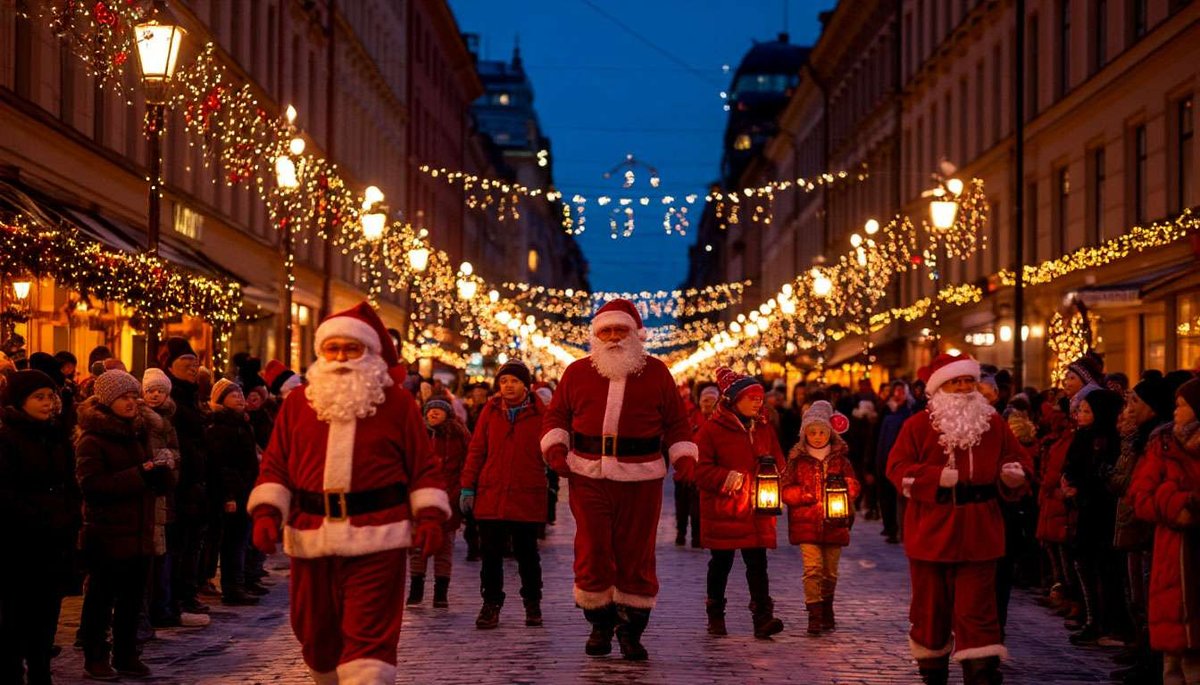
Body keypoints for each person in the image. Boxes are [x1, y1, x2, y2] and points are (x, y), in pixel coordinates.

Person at [248, 302, 449, 684]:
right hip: (310, 534)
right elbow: (276, 463)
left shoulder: (398, 404)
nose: (340, 357)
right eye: (332, 348)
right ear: (321, 353)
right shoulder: (297, 404)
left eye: (351, 349)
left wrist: (430, 516)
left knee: (369, 641)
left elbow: (423, 466)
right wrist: (267, 512)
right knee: (314, 633)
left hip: (378, 534)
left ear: (370, 353)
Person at [541, 298, 698, 661]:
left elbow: (676, 421)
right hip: (588, 473)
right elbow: (556, 416)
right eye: (606, 331)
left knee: (635, 552)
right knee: (593, 548)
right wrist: (555, 448)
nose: (613, 338)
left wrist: (684, 454)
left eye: (620, 330)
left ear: (635, 335)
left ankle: (631, 630)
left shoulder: (657, 372)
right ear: (595, 336)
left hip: (641, 475)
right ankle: (599, 623)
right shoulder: (577, 372)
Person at [886, 353, 1032, 685]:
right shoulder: (917, 425)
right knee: (930, 609)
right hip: (931, 530)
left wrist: (1014, 473)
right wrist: (934, 477)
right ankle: (932, 670)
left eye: (969, 381)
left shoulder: (993, 423)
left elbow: (1018, 459)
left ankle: (980, 671)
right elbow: (896, 468)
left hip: (981, 528)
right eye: (957, 382)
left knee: (978, 610)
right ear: (940, 387)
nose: (965, 388)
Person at [76, 370, 173, 680]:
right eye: (124, 397)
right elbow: (92, 486)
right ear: (108, 401)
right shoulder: (92, 440)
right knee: (101, 600)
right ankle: (96, 656)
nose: (132, 402)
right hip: (107, 533)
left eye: (134, 396)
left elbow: (150, 479)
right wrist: (139, 473)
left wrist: (161, 473)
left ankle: (127, 653)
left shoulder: (137, 432)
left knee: (133, 600)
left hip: (139, 531)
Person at [0, 370, 81, 685]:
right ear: (21, 401)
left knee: (48, 615)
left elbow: (69, 484)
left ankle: (40, 671)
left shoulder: (56, 435)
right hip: (20, 542)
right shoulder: (7, 439)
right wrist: (40, 518)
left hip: (55, 541)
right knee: (16, 616)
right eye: (39, 397)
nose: (48, 403)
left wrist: (71, 515)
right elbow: (6, 493)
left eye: (51, 396)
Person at [693, 367, 784, 639]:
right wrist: (726, 478)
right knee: (721, 563)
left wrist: (777, 475)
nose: (758, 402)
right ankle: (716, 615)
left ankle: (763, 618)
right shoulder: (712, 429)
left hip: (757, 509)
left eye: (760, 397)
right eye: (752, 397)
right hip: (726, 509)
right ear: (734, 400)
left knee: (758, 563)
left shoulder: (764, 427)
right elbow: (700, 469)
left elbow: (778, 460)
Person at [459, 360, 547, 629]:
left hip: (525, 492)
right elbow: (476, 450)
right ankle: (491, 605)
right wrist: (467, 487)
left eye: (515, 381)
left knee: (527, 554)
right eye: (504, 381)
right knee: (491, 555)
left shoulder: (541, 414)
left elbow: (553, 450)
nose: (508, 386)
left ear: (526, 386)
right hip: (492, 491)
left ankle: (532, 604)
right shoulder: (491, 410)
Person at [1128, 378, 1200, 685]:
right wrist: (1175, 502)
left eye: (1183, 405)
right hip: (1172, 557)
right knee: (1174, 656)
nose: (1176, 410)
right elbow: (1139, 496)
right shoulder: (1163, 444)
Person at [782, 400, 859, 636]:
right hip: (806, 522)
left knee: (830, 571)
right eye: (812, 432)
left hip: (834, 523)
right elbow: (785, 489)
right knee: (813, 568)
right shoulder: (797, 460)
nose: (817, 437)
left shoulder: (840, 460)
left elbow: (854, 486)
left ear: (830, 433)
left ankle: (827, 606)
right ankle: (814, 613)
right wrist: (802, 495)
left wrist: (845, 489)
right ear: (804, 433)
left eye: (821, 432)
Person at [1061, 388, 1126, 646]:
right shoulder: (1082, 437)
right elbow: (1071, 465)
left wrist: (1081, 485)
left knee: (1105, 567)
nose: (1080, 415)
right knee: (1084, 563)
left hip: (1102, 511)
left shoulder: (1109, 440)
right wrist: (1067, 483)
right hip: (1083, 509)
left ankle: (1109, 623)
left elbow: (1103, 476)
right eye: (1080, 410)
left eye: (1087, 411)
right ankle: (1092, 619)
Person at [161, 337, 210, 617]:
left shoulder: (192, 395)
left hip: (196, 482)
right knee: (179, 545)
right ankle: (177, 598)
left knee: (192, 543)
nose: (193, 368)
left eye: (195, 362)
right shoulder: (172, 399)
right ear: (170, 365)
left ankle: (186, 594)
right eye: (186, 363)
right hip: (182, 483)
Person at [407, 397, 470, 610]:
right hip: (420, 500)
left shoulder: (457, 435)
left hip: (449, 498)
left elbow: (466, 463)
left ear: (447, 414)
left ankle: (440, 593)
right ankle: (416, 591)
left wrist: (461, 490)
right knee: (418, 546)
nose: (433, 414)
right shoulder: (418, 435)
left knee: (444, 549)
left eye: (438, 411)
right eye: (430, 410)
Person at [205, 378, 264, 606]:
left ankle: (240, 583)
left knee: (241, 538)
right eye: (233, 395)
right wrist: (229, 495)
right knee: (233, 540)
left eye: (240, 394)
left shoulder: (241, 422)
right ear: (221, 400)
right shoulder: (221, 426)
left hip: (246, 488)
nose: (239, 398)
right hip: (234, 492)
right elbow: (222, 464)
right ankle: (233, 587)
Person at [677, 384, 718, 548]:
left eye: (711, 400)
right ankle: (681, 532)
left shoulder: (718, 421)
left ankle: (697, 536)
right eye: (705, 400)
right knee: (682, 506)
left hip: (703, 473)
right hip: (684, 470)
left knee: (697, 508)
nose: (707, 404)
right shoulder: (691, 418)